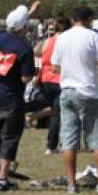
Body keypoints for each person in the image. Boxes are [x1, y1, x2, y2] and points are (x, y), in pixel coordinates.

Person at [50, 5, 98, 194]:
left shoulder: (62, 38)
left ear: (72, 19)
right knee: (97, 139)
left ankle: (71, 184)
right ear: (88, 19)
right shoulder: (92, 36)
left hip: (67, 91)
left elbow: (54, 67)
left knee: (69, 140)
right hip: (88, 92)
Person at [0, 2, 38, 192]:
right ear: (23, 28)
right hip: (13, 99)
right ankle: (3, 178)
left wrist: (28, 13)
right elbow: (25, 78)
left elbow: (15, 25)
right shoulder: (25, 49)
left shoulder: (0, 38)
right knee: (9, 138)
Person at [37, 16, 69, 155]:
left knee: (54, 112)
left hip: (45, 81)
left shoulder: (47, 41)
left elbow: (36, 52)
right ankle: (52, 146)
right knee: (58, 115)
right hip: (60, 80)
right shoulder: (66, 40)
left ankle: (58, 143)